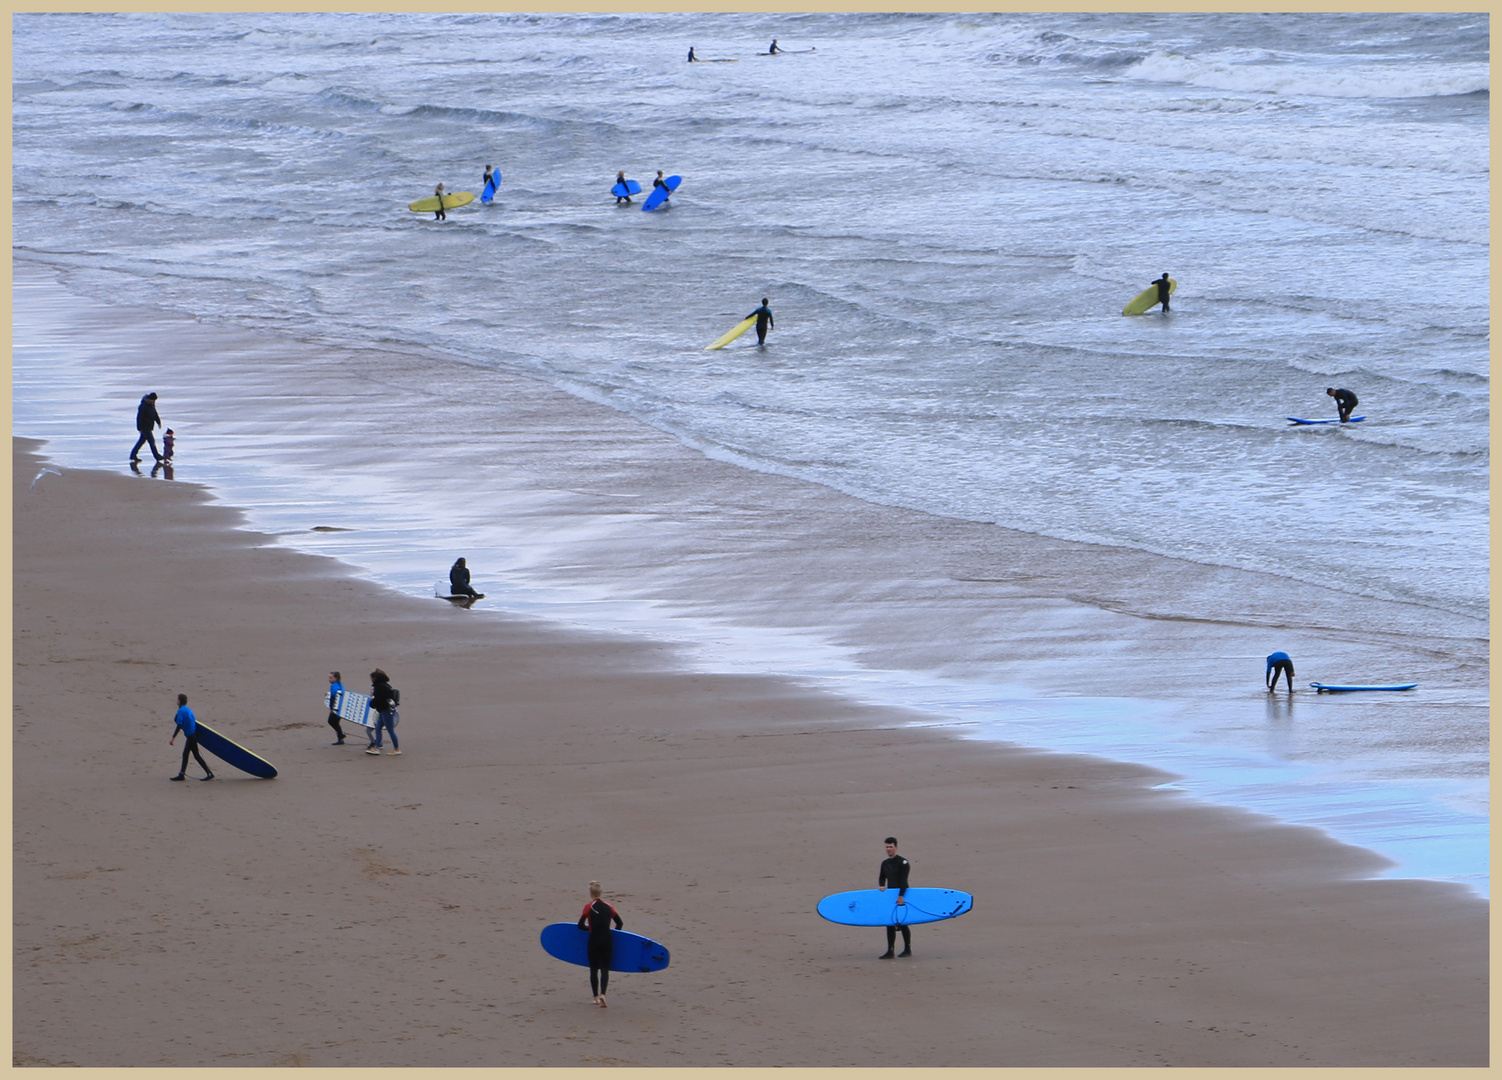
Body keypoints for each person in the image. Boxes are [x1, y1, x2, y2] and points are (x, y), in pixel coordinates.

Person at [578, 881, 624, 1007]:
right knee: (605, 969)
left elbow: (580, 925)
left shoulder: (588, 907)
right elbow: (619, 923)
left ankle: (596, 998)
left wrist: (590, 928)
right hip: (607, 940)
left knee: (593, 969)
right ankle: (603, 994)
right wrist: (614, 934)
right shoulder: (610, 907)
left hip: (594, 940)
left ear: (591, 893)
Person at [877, 836, 911, 959]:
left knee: (902, 922)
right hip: (890, 896)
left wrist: (901, 895)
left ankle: (907, 949)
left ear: (896, 847)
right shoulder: (885, 863)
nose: (888, 849)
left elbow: (904, 881)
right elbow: (882, 877)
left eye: (891, 847)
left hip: (902, 894)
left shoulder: (903, 862)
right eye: (887, 847)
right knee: (889, 922)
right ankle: (890, 950)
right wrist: (881, 886)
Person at [169, 693, 213, 781]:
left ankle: (209, 773)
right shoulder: (187, 709)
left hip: (190, 736)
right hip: (193, 734)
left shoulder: (181, 711)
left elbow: (179, 725)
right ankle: (182, 774)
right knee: (187, 754)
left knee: (194, 755)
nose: (176, 701)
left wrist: (173, 738)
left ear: (180, 701)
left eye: (177, 699)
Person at [365, 669, 401, 755]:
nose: (371, 680)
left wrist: (372, 703)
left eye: (371, 678)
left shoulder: (379, 687)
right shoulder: (385, 685)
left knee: (390, 730)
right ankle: (377, 747)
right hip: (384, 710)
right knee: (378, 728)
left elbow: (378, 699)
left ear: (375, 678)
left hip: (385, 710)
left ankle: (396, 749)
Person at [130, 392, 162, 464]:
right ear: (149, 399)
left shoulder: (151, 405)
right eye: (153, 400)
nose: (154, 401)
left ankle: (133, 455)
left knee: (141, 442)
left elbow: (155, 413)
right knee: (152, 441)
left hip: (149, 426)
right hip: (144, 427)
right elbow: (139, 417)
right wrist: (139, 428)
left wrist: (158, 421)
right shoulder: (143, 406)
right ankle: (157, 456)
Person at [326, 671, 347, 744]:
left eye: (331, 678)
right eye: (329, 678)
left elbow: (333, 697)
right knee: (335, 722)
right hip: (341, 707)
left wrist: (331, 708)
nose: (329, 679)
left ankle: (341, 736)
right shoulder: (340, 684)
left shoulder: (334, 685)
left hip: (336, 707)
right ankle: (340, 737)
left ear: (336, 678)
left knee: (331, 721)